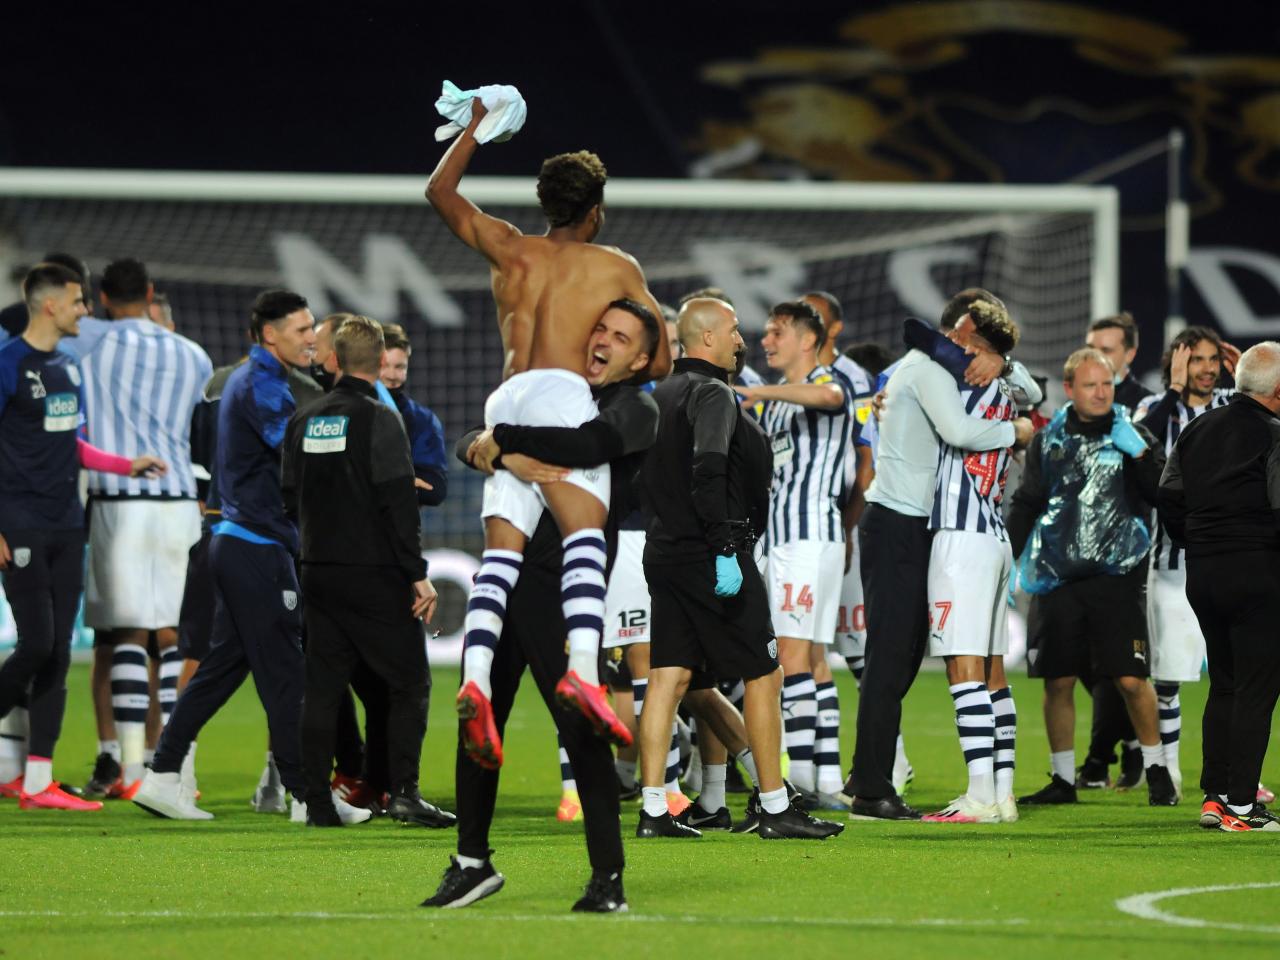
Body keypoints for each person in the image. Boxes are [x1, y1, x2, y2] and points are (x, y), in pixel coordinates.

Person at [427, 97, 672, 766]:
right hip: (564, 399)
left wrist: (475, 129)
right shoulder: (614, 268)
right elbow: (658, 357)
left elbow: (439, 191)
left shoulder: (509, 249)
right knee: (587, 540)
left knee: (498, 560)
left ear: (545, 203)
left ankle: (474, 682)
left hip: (503, 404)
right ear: (596, 208)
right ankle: (584, 676)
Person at [423, 299, 662, 912]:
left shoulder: (636, 407)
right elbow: (463, 444)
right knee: (478, 724)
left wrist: (498, 443)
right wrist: (490, 443)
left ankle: (608, 877)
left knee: (581, 734)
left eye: (620, 336)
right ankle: (471, 862)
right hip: (514, 583)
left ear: (640, 358)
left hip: (567, 590)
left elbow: (586, 447)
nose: (602, 340)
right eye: (599, 328)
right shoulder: (553, 392)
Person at [132, 290, 363, 824]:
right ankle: (308, 797)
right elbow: (300, 455)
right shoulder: (263, 384)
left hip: (237, 543)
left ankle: (162, 775)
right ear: (269, 335)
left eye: (312, 328)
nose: (311, 338)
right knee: (287, 676)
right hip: (258, 546)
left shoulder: (253, 379)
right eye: (302, 330)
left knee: (219, 670)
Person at [637, 296, 842, 840]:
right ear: (706, 338)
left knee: (670, 677)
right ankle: (775, 805)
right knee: (764, 672)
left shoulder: (660, 394)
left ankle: (655, 808)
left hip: (664, 551)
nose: (740, 340)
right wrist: (726, 547)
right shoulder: (712, 393)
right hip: (711, 552)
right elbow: (709, 471)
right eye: (731, 331)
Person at [846, 295, 1032, 821]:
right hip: (895, 523)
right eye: (969, 343)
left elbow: (1029, 387)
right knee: (890, 654)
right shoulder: (926, 369)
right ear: (956, 332)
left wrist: (1006, 365)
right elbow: (960, 433)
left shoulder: (939, 369)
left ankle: (869, 774)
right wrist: (1015, 432)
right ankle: (872, 787)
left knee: (903, 653)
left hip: (915, 525)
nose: (969, 354)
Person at [0, 263, 164, 810]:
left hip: (68, 523)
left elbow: (73, 444)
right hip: (19, 523)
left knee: (59, 652)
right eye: (77, 302)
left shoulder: (68, 367)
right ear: (50, 305)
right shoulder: (7, 365)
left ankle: (39, 782)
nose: (85, 311)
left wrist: (125, 465)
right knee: (37, 642)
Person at [282, 315, 452, 828]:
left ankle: (316, 801)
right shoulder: (381, 418)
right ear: (380, 362)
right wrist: (415, 572)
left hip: (318, 570)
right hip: (374, 573)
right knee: (409, 683)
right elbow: (398, 500)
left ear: (332, 358)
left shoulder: (305, 419)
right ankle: (403, 792)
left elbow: (289, 496)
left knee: (324, 688)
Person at [61, 258, 211, 800]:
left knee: (123, 632)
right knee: (172, 636)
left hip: (119, 500)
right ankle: (165, 766)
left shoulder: (88, 342)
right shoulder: (191, 353)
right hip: (179, 504)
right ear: (150, 293)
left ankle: (126, 770)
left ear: (101, 297)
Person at [1008, 348, 1177, 807]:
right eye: (1090, 385)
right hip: (1059, 577)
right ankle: (1064, 780)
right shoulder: (1048, 441)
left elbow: (1162, 493)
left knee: (1129, 680)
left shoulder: (1133, 435)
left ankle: (1158, 767)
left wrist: (1140, 453)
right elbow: (1028, 501)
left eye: (1106, 384)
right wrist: (1010, 557)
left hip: (1117, 578)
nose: (1101, 393)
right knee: (1057, 680)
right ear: (1070, 390)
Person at [1158, 341, 1280, 831]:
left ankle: (1216, 796)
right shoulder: (1274, 434)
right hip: (1260, 573)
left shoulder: (1197, 428)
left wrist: (1201, 543)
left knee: (1225, 683)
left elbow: (1168, 496)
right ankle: (1243, 807)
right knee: (1257, 688)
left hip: (1204, 573)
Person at [733, 301, 850, 808]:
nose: (766, 341)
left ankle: (796, 783)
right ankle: (826, 780)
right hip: (784, 539)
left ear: (807, 339)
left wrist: (757, 390)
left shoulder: (827, 379)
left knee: (791, 659)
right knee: (816, 662)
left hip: (808, 538)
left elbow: (831, 396)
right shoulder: (776, 402)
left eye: (777, 333)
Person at [914, 300, 1021, 825]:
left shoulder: (969, 385)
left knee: (963, 667)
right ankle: (1002, 794)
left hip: (963, 538)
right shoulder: (1003, 391)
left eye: (960, 338)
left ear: (980, 349)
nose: (949, 343)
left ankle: (978, 796)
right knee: (994, 670)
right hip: (995, 538)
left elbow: (916, 335)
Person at [1130, 327, 1237, 801]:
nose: (1208, 369)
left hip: (1231, 556)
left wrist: (1248, 372)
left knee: (1237, 672)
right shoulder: (1151, 408)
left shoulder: (1237, 407)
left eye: (1214, 360)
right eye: (1197, 360)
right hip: (1171, 561)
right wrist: (1172, 392)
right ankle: (1169, 769)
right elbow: (1139, 443)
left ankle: (1239, 769)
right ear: (1176, 363)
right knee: (1168, 675)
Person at [1076, 313, 1155, 791]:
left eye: (1109, 348)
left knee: (1120, 664)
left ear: (1129, 353)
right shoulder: (1083, 402)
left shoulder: (1142, 406)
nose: (1101, 357)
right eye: (1093, 347)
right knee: (1086, 660)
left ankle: (1104, 758)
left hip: (1126, 553)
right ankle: (1122, 744)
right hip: (1078, 552)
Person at [378, 323, 448, 506]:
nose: (392, 375)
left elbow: (435, 489)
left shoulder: (422, 420)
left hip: (397, 532)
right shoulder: (347, 410)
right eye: (384, 366)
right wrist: (403, 483)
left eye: (400, 367)